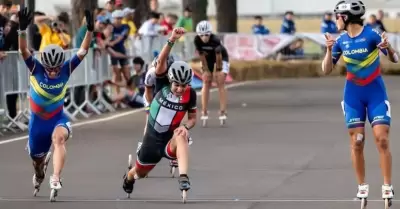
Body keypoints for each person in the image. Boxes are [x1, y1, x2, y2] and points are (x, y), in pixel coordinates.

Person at [322, 0, 398, 206]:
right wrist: (329, 51)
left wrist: (389, 48)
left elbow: (395, 59)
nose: (335, 20)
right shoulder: (340, 40)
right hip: (353, 96)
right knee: (357, 141)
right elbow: (326, 69)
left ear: (346, 17)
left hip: (375, 94)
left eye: (338, 16)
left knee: (381, 139)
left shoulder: (372, 34)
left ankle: (387, 185)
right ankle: (362, 186)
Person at [18, 7, 94, 200]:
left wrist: (90, 31)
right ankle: (40, 173)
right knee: (37, 162)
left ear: (61, 65)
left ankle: (56, 177)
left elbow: (83, 51)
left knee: (58, 140)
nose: (52, 72)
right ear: (45, 64)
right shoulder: (36, 67)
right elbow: (23, 50)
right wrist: (21, 30)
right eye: (50, 69)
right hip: (37, 125)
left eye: (56, 69)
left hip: (57, 119)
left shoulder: (66, 69)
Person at [122, 28, 196, 197]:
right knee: (140, 173)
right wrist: (171, 40)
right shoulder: (161, 81)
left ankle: (183, 177)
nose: (180, 89)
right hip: (152, 140)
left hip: (170, 139)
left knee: (182, 135)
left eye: (183, 86)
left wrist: (185, 126)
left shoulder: (190, 94)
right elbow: (161, 62)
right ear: (170, 80)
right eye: (176, 85)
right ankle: (129, 176)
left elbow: (192, 118)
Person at [194, 20, 229, 126]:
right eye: (201, 35)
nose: (204, 37)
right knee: (206, 81)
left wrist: (218, 70)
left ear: (210, 34)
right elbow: (201, 56)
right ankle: (204, 110)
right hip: (207, 58)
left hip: (221, 57)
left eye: (206, 35)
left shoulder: (215, 40)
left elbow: (218, 58)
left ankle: (223, 110)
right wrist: (205, 70)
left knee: (220, 81)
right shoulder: (197, 40)